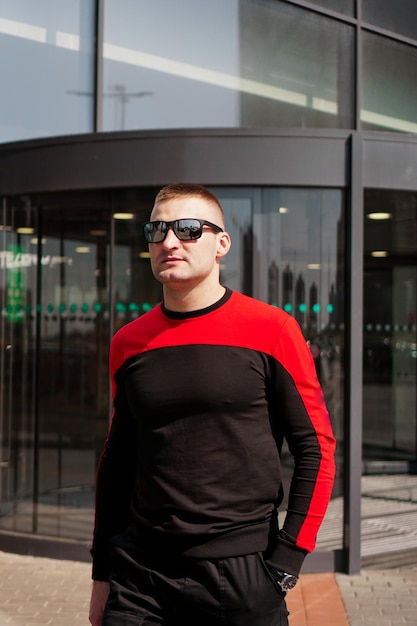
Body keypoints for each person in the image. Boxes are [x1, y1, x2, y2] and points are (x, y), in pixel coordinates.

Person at [89, 183, 336, 626]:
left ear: (222, 243)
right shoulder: (129, 343)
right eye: (157, 229)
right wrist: (102, 574)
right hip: (140, 576)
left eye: (187, 229)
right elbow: (117, 462)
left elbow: (316, 448)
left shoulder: (272, 330)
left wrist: (286, 560)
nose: (169, 241)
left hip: (241, 575)